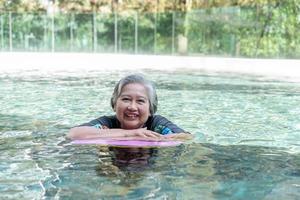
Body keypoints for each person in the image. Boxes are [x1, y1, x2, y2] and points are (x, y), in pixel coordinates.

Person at [67, 74, 192, 141]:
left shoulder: (157, 124)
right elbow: (74, 133)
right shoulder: (108, 122)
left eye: (140, 101)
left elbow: (186, 137)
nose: (132, 107)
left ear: (150, 108)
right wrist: (132, 133)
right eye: (126, 99)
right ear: (115, 104)